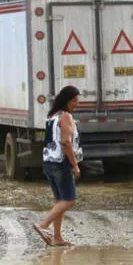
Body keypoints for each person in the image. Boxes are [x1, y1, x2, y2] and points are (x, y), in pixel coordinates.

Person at [32, 85, 82, 247]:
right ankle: (43, 225)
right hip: (61, 163)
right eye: (74, 101)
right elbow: (66, 142)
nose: (77, 104)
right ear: (66, 101)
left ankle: (57, 237)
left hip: (48, 162)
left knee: (59, 200)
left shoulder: (51, 116)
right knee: (70, 200)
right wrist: (75, 165)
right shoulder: (66, 117)